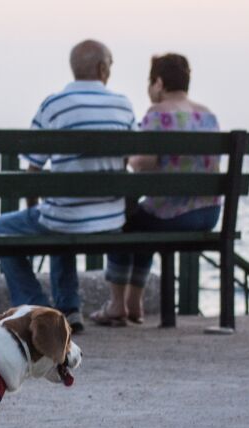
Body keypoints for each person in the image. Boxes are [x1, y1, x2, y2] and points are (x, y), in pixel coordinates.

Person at [0, 39, 135, 334]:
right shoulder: (123, 105)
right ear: (103, 68)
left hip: (64, 217)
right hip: (111, 221)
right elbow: (129, 160)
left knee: (1, 228)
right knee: (59, 216)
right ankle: (68, 309)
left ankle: (37, 308)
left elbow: (32, 169)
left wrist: (34, 208)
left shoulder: (54, 105)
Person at [89, 53, 221, 326]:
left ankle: (117, 304)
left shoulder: (157, 114)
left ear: (158, 83)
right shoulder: (208, 115)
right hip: (209, 214)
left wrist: (130, 158)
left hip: (175, 215)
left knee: (123, 221)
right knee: (144, 218)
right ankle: (134, 305)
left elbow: (145, 163)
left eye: (150, 83)